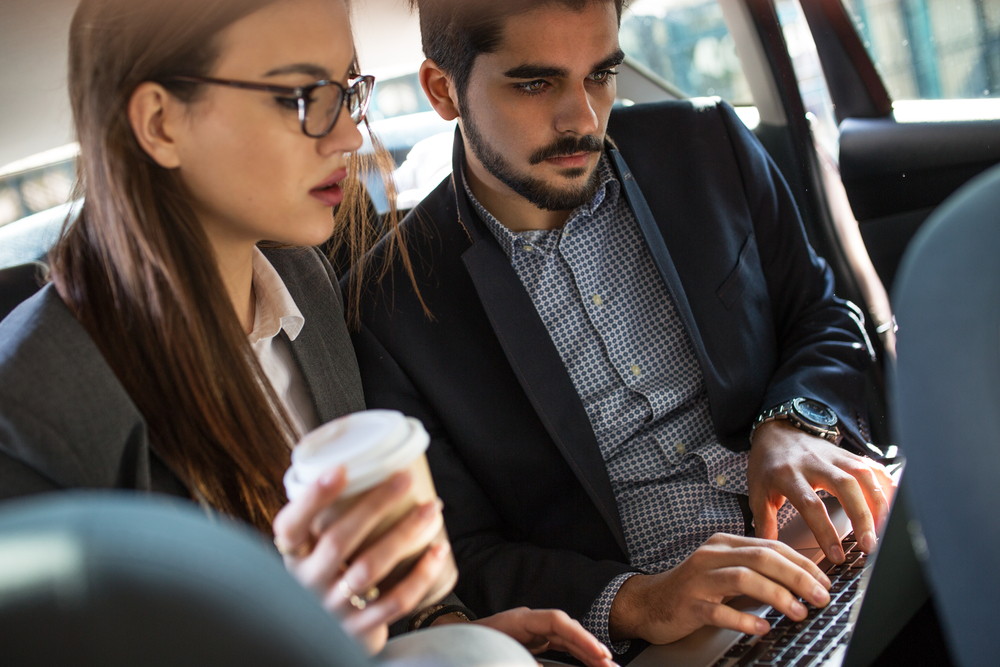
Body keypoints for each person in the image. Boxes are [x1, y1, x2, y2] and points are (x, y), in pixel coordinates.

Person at [0, 0, 615, 664]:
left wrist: (448, 625)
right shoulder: (30, 412)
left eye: (349, 92)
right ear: (160, 122)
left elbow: (366, 599)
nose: (350, 136)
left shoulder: (306, 286)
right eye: (304, 97)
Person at [346, 0, 895, 655]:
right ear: (443, 90)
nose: (583, 119)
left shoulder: (708, 144)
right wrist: (635, 601)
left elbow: (823, 313)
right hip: (683, 637)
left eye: (601, 75)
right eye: (535, 83)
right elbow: (460, 552)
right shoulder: (390, 306)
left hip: (842, 535)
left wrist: (793, 421)